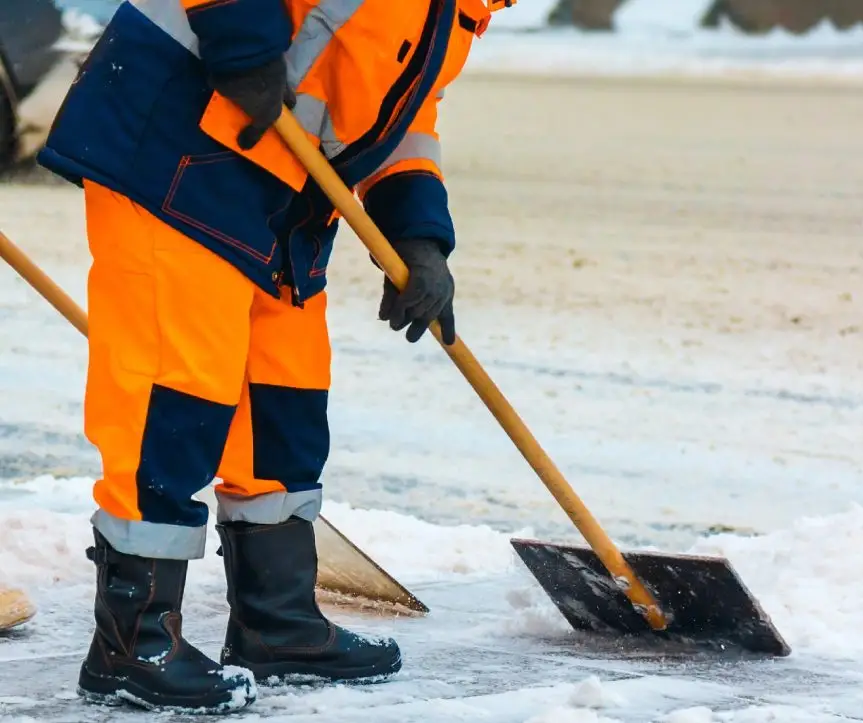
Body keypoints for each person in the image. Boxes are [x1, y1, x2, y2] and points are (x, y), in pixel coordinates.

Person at [37, 0, 512, 713]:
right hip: (179, 136)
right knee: (174, 394)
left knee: (283, 403)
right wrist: (242, 33)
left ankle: (277, 622)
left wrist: (418, 234)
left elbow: (400, 111)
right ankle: (130, 645)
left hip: (282, 192)